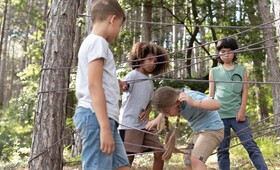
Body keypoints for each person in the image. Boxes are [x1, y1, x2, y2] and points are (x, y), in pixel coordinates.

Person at [73, 0, 130, 169]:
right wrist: (104, 128)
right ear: (112, 19)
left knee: (122, 166)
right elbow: (93, 86)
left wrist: (114, 84)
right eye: (119, 26)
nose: (118, 32)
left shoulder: (93, 43)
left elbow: (97, 79)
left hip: (104, 118)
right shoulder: (98, 42)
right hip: (96, 118)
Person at [209, 37, 268, 170]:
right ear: (218, 53)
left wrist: (242, 110)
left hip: (237, 115)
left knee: (250, 145)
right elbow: (211, 95)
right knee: (222, 149)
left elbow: (244, 92)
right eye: (223, 51)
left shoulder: (241, 70)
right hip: (220, 116)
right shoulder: (214, 71)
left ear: (235, 52)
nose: (226, 54)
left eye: (230, 51)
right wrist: (209, 113)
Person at [118, 42, 169, 170]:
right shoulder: (133, 75)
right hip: (129, 124)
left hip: (144, 125)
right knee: (128, 158)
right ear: (140, 57)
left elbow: (150, 102)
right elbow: (125, 87)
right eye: (149, 59)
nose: (152, 63)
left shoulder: (150, 81)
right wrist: (123, 86)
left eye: (155, 61)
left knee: (160, 151)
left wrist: (147, 111)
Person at [147, 86, 224, 170]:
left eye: (167, 112)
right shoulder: (175, 101)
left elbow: (217, 104)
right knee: (188, 159)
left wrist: (193, 102)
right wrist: (158, 118)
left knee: (196, 160)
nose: (167, 115)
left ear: (175, 103)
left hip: (212, 130)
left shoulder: (190, 97)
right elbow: (167, 108)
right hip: (199, 131)